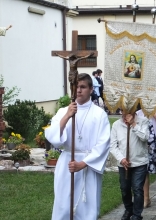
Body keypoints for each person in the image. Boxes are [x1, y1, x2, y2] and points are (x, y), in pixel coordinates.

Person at [45, 73, 110, 220]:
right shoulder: (63, 111)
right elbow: (52, 135)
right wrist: (67, 115)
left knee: (86, 207)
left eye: (83, 87)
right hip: (68, 163)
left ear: (91, 89)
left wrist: (83, 163)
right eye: (76, 87)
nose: (79, 90)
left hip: (88, 165)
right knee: (63, 204)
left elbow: (103, 144)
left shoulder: (99, 114)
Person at [110, 112, 149, 220]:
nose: (124, 112)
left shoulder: (143, 121)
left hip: (140, 162)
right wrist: (121, 159)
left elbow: (145, 137)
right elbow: (113, 145)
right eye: (122, 110)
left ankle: (137, 215)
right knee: (124, 188)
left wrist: (133, 124)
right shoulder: (116, 125)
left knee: (137, 188)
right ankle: (129, 209)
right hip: (124, 164)